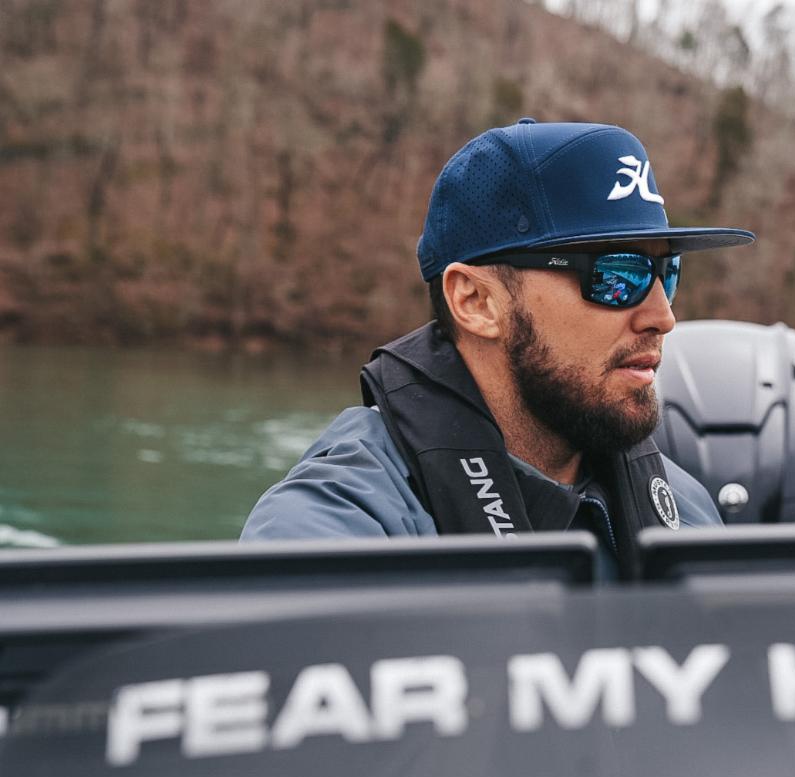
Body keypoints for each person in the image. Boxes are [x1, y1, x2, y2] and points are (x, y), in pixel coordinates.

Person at [240, 118, 755, 578]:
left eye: (668, 273)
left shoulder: (686, 508)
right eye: (617, 276)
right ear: (477, 300)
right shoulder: (339, 527)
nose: (663, 317)